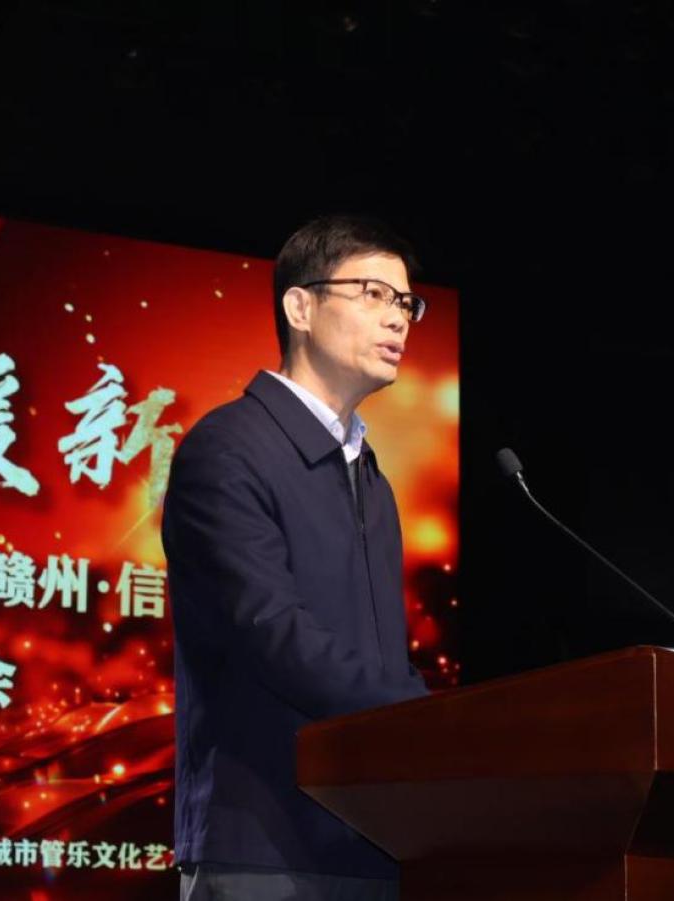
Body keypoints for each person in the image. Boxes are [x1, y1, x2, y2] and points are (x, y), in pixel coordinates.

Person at [163, 214, 432, 901]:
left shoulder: (371, 477)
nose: (397, 318)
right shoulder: (228, 448)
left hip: (371, 842)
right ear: (300, 307)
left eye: (406, 303)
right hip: (262, 847)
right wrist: (430, 715)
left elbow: (382, 659)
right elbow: (273, 633)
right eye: (373, 294)